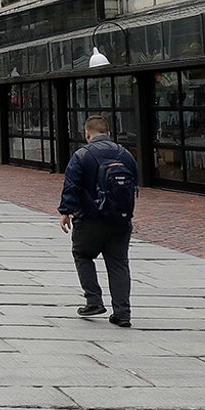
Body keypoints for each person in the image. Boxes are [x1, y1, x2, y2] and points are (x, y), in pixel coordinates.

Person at [58, 115, 140, 327]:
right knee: (119, 263)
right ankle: (123, 314)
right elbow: (134, 184)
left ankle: (93, 300)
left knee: (82, 254)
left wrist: (65, 211)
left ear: (87, 134)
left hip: (91, 219)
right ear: (109, 134)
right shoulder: (126, 154)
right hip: (121, 220)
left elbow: (72, 185)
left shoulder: (82, 155)